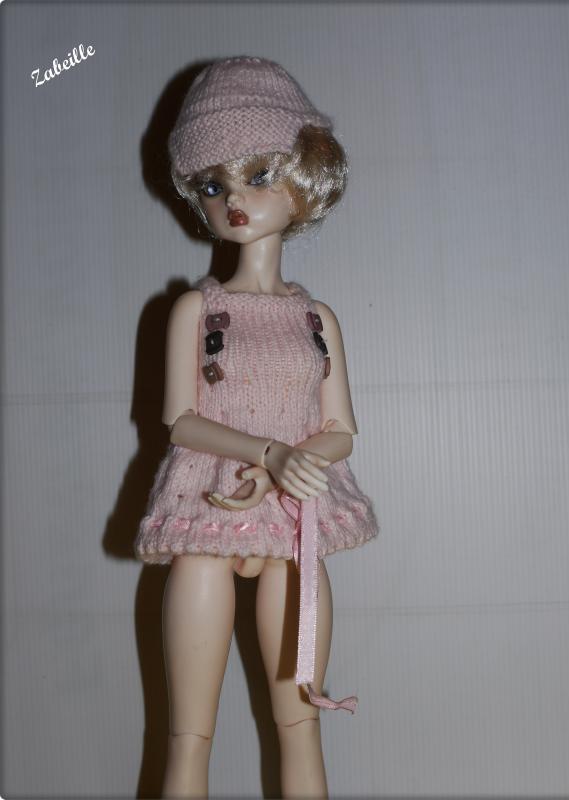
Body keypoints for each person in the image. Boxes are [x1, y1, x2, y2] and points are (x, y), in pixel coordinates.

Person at [134, 55, 379, 798]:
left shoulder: (316, 319)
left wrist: (292, 466)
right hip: (207, 516)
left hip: (293, 530)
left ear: (305, 176)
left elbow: (341, 428)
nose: (235, 200)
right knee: (188, 735)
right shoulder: (197, 310)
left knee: (299, 724)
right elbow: (179, 421)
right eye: (215, 185)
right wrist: (267, 453)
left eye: (258, 175)